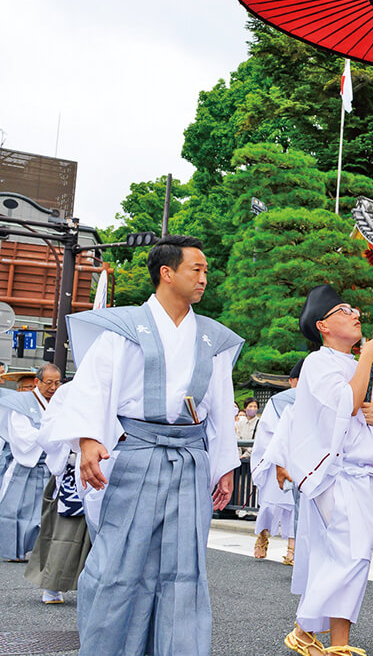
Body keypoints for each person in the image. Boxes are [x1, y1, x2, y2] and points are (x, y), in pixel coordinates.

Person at [39, 235, 243, 656]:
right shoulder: (123, 329)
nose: (205, 278)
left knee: (184, 569)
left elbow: (222, 405)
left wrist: (224, 464)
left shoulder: (213, 338)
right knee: (118, 564)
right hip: (135, 455)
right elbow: (91, 389)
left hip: (189, 458)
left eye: (206, 271)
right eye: (196, 269)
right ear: (167, 273)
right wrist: (90, 439)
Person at [281, 284, 373, 656]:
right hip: (335, 473)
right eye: (343, 310)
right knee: (353, 553)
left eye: (353, 309)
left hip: (360, 475)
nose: (355, 314)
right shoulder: (318, 363)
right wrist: (365, 359)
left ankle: (335, 643)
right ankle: (304, 631)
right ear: (323, 326)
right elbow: (343, 406)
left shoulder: (361, 367)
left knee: (348, 555)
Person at [25, 379, 91, 604]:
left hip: (110, 466)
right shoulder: (69, 391)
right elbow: (49, 432)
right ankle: (52, 585)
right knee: (66, 532)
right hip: (74, 466)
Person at [0, 363, 59, 562]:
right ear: (37, 382)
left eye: (57, 383)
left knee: (44, 512)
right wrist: (50, 436)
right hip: (26, 463)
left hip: (49, 464)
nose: (53, 387)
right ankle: (14, 550)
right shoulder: (21, 403)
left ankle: (37, 550)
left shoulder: (59, 403)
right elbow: (22, 435)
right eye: (49, 383)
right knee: (16, 508)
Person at [251, 361, 302, 564]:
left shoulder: (314, 399)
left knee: (294, 505)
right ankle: (262, 535)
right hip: (277, 457)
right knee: (270, 504)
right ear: (292, 381)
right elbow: (266, 432)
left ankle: (292, 549)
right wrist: (277, 452)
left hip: (299, 458)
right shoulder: (278, 401)